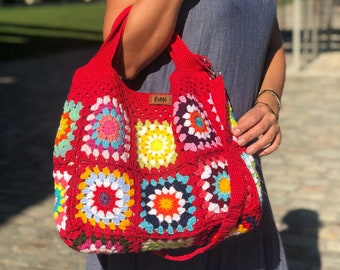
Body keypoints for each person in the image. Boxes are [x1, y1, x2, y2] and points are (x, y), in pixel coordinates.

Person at [86, 0, 288, 269]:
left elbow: (271, 42)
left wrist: (269, 101)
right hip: (158, 192)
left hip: (236, 193)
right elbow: (124, 59)